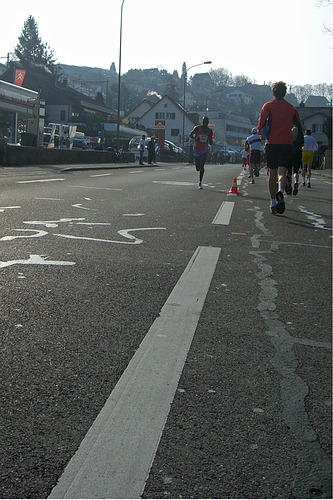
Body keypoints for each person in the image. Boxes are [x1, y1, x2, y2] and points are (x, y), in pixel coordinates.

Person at [258, 81, 303, 215]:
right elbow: (298, 126)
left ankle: (273, 203)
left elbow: (261, 121)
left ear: (273, 93)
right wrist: (294, 135)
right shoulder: (291, 108)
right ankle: (281, 191)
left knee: (272, 173)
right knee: (282, 173)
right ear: (285, 93)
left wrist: (261, 133)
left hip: (272, 144)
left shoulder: (268, 106)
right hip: (286, 144)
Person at [189, 116, 213, 189]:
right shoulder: (197, 128)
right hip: (197, 149)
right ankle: (198, 169)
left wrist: (211, 141)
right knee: (198, 168)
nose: (205, 124)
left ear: (208, 123)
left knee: (202, 166)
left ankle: (200, 182)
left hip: (204, 150)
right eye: (204, 122)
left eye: (206, 122)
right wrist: (196, 138)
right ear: (202, 122)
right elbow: (191, 135)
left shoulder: (209, 131)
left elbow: (211, 141)